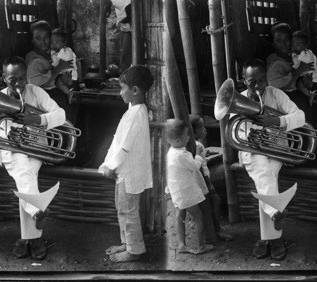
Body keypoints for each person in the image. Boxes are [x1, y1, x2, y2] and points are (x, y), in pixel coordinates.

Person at [0, 56, 66, 260]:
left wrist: (38, 119)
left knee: (25, 178)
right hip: (11, 151)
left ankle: (28, 238)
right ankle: (35, 225)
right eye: (12, 79)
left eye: (21, 79)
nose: (18, 84)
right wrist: (15, 131)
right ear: (3, 77)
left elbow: (60, 115)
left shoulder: (37, 92)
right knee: (25, 172)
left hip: (36, 150)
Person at [237, 58, 305, 260]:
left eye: (260, 81)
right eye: (251, 82)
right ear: (243, 80)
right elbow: (237, 131)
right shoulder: (238, 99)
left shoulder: (277, 94)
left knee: (264, 177)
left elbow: (300, 116)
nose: (257, 86)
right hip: (252, 152)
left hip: (276, 151)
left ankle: (266, 238)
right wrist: (254, 134)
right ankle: (275, 231)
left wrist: (277, 120)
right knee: (264, 172)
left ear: (266, 79)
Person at [98, 65, 154, 262]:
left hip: (130, 173)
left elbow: (125, 148)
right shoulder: (133, 111)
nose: (120, 92)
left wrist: (110, 166)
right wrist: (108, 164)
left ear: (136, 90)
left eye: (123, 88)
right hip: (124, 171)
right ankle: (127, 242)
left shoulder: (137, 114)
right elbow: (117, 141)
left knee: (128, 210)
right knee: (122, 208)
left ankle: (135, 250)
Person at [165, 119, 215, 255]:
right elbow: (194, 166)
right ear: (176, 141)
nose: (188, 137)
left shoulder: (170, 152)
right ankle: (200, 246)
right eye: (186, 135)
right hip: (186, 191)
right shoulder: (183, 154)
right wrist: (199, 155)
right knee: (198, 215)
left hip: (176, 191)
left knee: (180, 215)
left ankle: (181, 244)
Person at [189, 114, 234, 242]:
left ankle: (211, 230)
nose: (205, 130)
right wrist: (209, 184)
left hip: (197, 182)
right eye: (202, 127)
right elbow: (201, 168)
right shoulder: (198, 146)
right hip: (204, 181)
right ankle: (217, 230)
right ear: (194, 131)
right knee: (215, 200)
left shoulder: (193, 145)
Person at [25, 20, 76, 124]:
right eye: (38, 38)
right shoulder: (32, 58)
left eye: (46, 38)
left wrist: (68, 80)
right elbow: (39, 84)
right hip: (45, 100)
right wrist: (58, 69)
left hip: (62, 96)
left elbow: (67, 79)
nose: (43, 42)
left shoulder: (56, 54)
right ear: (32, 40)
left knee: (68, 125)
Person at [266, 22, 314, 120]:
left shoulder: (294, 56)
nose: (283, 44)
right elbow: (278, 85)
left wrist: (307, 82)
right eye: (278, 41)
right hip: (284, 102)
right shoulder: (274, 61)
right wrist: (299, 71)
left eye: (286, 40)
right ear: (273, 43)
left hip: (299, 98)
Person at [291, 30, 317, 106]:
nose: (295, 47)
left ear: (305, 45)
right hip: (308, 75)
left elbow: (297, 66)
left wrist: (292, 67)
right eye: (293, 44)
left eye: (298, 44)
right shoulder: (303, 53)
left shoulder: (305, 55)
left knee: (299, 85)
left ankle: (309, 95)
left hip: (308, 76)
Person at [50, 28, 78, 101]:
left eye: (56, 42)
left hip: (67, 73)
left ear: (64, 43)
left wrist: (52, 65)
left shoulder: (64, 52)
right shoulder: (64, 50)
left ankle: (69, 93)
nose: (53, 45)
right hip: (67, 72)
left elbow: (59, 64)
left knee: (58, 83)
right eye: (52, 42)